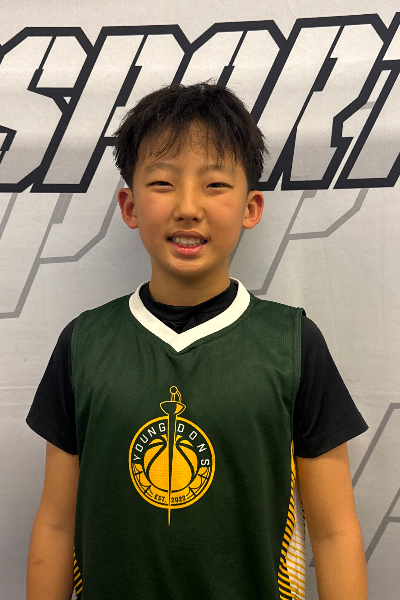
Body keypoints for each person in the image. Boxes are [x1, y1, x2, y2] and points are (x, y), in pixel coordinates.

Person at [26, 82, 368, 600]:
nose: (188, 207)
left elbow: (335, 532)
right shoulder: (84, 344)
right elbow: (55, 525)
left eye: (215, 184)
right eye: (163, 182)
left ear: (251, 207)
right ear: (130, 205)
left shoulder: (292, 344)